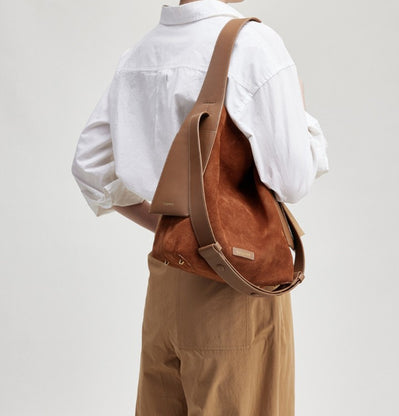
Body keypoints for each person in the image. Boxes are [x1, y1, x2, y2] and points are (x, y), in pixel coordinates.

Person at [71, 0, 329, 414]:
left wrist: (180, 228)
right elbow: (293, 179)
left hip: (166, 279)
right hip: (234, 287)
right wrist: (299, 113)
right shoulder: (254, 45)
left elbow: (91, 167)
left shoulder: (141, 53)